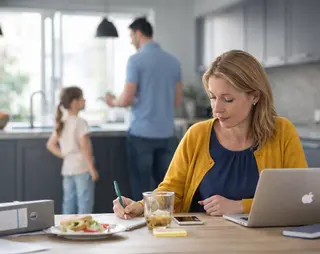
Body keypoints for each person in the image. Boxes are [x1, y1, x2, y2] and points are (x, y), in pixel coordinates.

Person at [112, 50, 308, 219]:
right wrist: (141, 206)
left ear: (255, 96)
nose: (217, 109)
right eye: (213, 97)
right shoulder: (197, 135)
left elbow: (300, 197)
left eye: (228, 99)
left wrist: (240, 206)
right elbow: (172, 190)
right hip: (203, 241)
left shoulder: (282, 132)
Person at [105, 17, 183, 201]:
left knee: (141, 188)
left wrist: (112, 102)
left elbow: (126, 98)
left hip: (142, 135)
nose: (131, 40)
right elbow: (177, 101)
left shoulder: (136, 60)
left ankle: (141, 227)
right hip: (166, 134)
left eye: (131, 36)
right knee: (165, 189)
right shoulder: (173, 61)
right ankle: (164, 226)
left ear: (139, 33)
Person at [46, 86, 99, 214]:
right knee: (84, 202)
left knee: (68, 202)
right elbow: (85, 148)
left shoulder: (62, 122)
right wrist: (92, 169)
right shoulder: (80, 122)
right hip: (82, 168)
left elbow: (50, 145)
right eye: (82, 98)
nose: (85, 101)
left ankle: (67, 229)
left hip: (68, 169)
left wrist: (65, 155)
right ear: (75, 102)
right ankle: (84, 230)